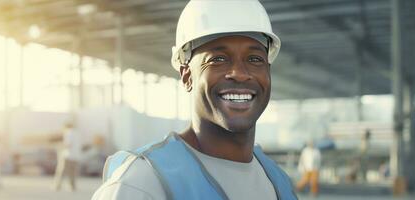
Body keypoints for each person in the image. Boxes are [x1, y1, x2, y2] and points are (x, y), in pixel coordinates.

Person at [92, 0, 297, 199]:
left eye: (255, 59)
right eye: (218, 59)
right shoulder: (143, 183)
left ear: (268, 72)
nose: (240, 73)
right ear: (187, 76)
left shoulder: (278, 182)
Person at [53, 122, 82, 191]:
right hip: (76, 156)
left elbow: (68, 144)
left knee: (61, 171)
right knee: (73, 172)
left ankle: (57, 185)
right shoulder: (77, 133)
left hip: (68, 155)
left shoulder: (69, 132)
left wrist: (60, 146)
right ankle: (72, 186)